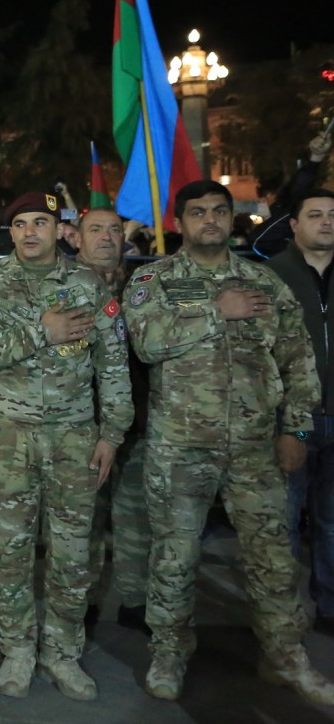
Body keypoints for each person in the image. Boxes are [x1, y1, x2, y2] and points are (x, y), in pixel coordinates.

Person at [125, 180, 334, 705]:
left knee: (273, 558)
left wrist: (298, 430)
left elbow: (298, 360)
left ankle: (286, 656)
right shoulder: (154, 278)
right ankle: (170, 653)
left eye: (219, 211)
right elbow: (146, 343)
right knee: (174, 558)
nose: (210, 221)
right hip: (180, 447)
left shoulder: (263, 282)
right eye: (198, 213)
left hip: (256, 447)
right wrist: (216, 309)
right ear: (180, 222)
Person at [0, 191, 132, 701]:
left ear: (61, 230)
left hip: (76, 438)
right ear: (10, 232)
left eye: (41, 222)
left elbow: (113, 364)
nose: (30, 232)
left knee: (73, 554)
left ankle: (63, 651)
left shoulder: (88, 285)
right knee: (8, 551)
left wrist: (112, 435)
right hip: (11, 437)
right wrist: (39, 332)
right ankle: (18, 650)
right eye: (21, 224)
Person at [75, 208, 151, 633]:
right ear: (77, 238)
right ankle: (80, 599)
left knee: (135, 517)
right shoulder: (63, 288)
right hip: (81, 425)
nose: (106, 237)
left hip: (136, 422)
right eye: (96, 229)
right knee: (83, 518)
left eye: (115, 230)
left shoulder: (144, 286)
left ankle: (135, 599)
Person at [267, 188, 334, 635]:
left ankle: (329, 606)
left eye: (333, 215)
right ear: (293, 225)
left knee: (331, 522)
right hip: (294, 420)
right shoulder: (272, 276)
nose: (327, 222)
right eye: (315, 215)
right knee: (284, 522)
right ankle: (285, 613)